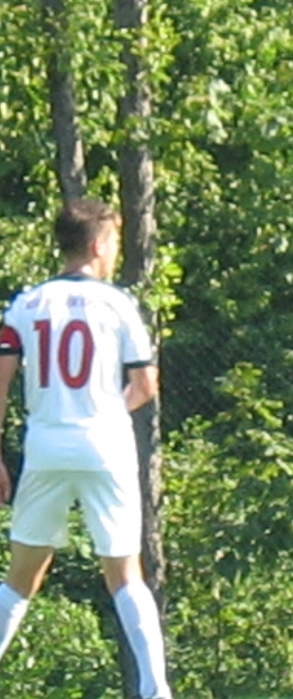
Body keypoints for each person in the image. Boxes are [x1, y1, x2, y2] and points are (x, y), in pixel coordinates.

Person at [0, 199, 171, 699]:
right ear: (97, 245)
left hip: (47, 445)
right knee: (126, 575)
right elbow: (146, 384)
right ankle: (156, 691)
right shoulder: (118, 305)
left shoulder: (27, 305)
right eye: (114, 240)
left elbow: (1, 382)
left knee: (21, 577)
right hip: (105, 444)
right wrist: (107, 410)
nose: (116, 250)